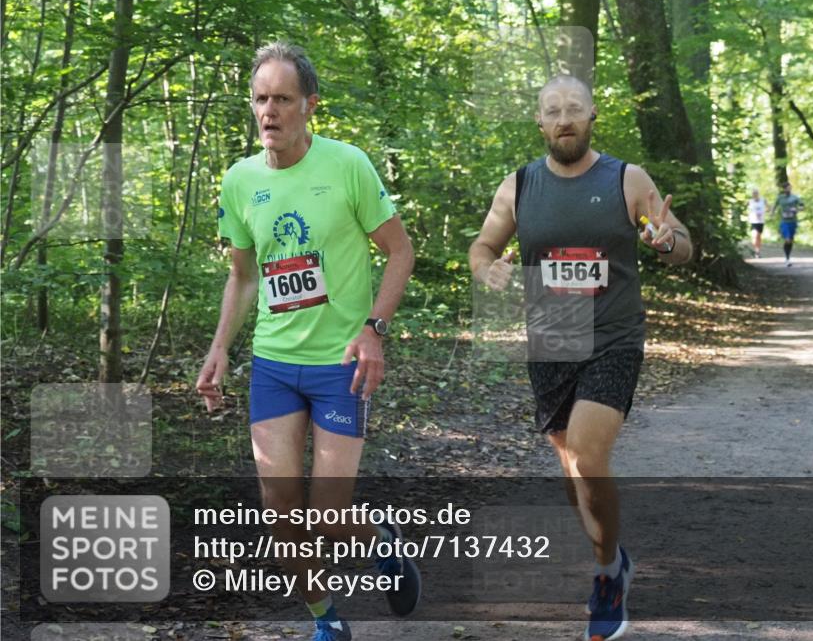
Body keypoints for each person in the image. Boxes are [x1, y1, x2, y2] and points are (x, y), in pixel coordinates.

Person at [196, 41, 419, 641]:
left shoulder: (347, 166)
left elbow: (400, 252)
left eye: (283, 99)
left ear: (309, 106)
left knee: (328, 514)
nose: (270, 111)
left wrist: (375, 329)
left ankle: (382, 545)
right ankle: (327, 621)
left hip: (339, 365)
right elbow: (243, 278)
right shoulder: (239, 180)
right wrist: (220, 347)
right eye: (261, 99)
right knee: (281, 517)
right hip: (273, 365)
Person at [468, 74, 693, 641]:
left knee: (589, 457)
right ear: (539, 122)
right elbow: (483, 245)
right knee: (571, 471)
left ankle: (606, 574)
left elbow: (681, 244)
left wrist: (667, 241)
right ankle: (613, 558)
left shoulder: (625, 179)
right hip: (552, 339)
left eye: (574, 108)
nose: (563, 118)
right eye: (552, 110)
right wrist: (486, 266)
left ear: (592, 116)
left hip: (614, 336)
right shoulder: (519, 185)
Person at [771, 181, 804, 266]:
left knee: (790, 240)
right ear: (784, 189)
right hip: (784, 222)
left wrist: (797, 209)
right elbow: (774, 206)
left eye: (790, 188)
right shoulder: (780, 198)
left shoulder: (795, 197)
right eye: (787, 188)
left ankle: (788, 257)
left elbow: (802, 206)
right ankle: (787, 258)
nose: (789, 189)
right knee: (787, 239)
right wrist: (772, 213)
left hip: (793, 221)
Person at [747, 188, 767, 258]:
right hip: (753, 221)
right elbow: (746, 209)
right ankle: (756, 250)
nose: (755, 194)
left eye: (756, 193)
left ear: (758, 194)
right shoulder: (750, 201)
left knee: (758, 237)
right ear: (752, 195)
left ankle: (757, 251)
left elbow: (768, 207)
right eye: (753, 193)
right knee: (754, 236)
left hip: (761, 221)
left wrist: (766, 212)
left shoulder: (763, 200)